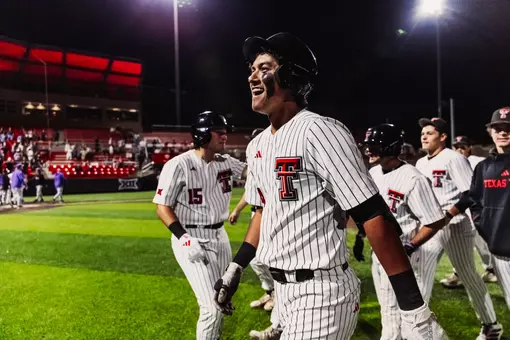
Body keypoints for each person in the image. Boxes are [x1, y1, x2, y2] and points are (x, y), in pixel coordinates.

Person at [213, 32, 447, 340]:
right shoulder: (257, 145)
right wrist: (236, 268)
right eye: (252, 70)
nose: (253, 78)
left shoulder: (320, 130)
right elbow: (262, 212)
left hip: (322, 292)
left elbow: (373, 215)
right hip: (284, 292)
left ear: (291, 75)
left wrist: (413, 308)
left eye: (264, 68)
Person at [153, 111, 247, 340]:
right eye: (220, 133)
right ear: (203, 135)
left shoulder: (226, 162)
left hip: (220, 236)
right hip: (190, 236)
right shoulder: (178, 165)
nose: (225, 137)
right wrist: (184, 239)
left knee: (221, 300)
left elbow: (254, 173)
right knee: (212, 309)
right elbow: (162, 207)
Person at [415, 117, 502, 339]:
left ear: (442, 137)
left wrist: (448, 215)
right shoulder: (420, 163)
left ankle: (490, 325)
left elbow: (469, 193)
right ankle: (415, 327)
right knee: (420, 276)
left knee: (468, 275)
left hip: (455, 225)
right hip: (431, 226)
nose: (424, 136)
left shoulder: (453, 158)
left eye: (430, 132)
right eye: (423, 132)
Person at [361, 123, 448, 340]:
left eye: (374, 146)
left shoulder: (413, 177)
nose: (368, 151)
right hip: (381, 254)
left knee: (413, 320)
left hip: (408, 257)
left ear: (391, 147)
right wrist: (362, 237)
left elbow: (435, 220)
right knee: (389, 313)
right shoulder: (374, 172)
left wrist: (410, 246)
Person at [466, 107, 510, 310]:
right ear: (490, 132)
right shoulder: (483, 167)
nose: (503, 132)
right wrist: (488, 231)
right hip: (499, 250)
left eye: (508, 128)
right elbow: (475, 202)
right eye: (498, 128)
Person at [441, 136, 496, 288]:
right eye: (456, 146)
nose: (459, 149)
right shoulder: (451, 160)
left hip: (478, 206)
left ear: (469, 147)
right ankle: (459, 273)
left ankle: (490, 269)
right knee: (460, 243)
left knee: (481, 241)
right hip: (461, 207)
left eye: (463, 146)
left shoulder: (477, 160)